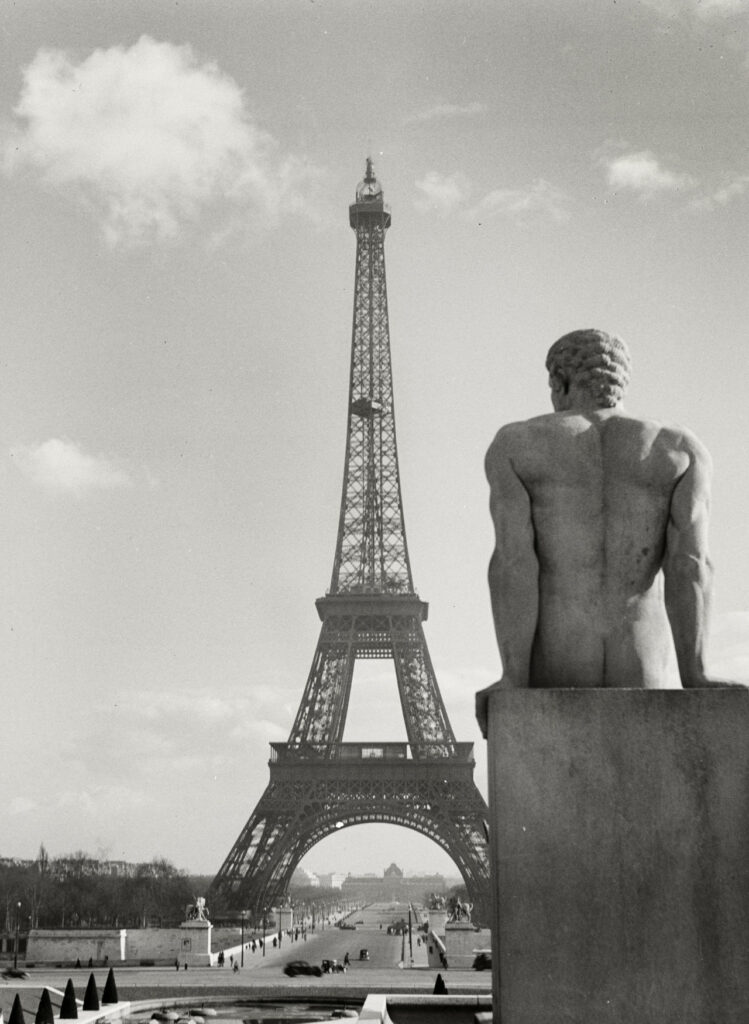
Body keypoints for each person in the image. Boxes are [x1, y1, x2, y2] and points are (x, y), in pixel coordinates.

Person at [477, 328, 743, 737]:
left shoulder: (518, 444)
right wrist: (698, 674)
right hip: (642, 661)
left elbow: (514, 562)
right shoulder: (680, 447)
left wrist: (513, 676)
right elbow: (691, 564)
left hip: (558, 661)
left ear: (559, 382)